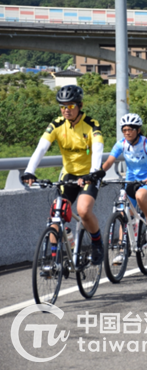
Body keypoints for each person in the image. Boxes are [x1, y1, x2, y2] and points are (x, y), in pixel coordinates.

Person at [21, 85, 105, 266]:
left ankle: (97, 242)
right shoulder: (56, 125)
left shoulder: (91, 125)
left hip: (89, 174)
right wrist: (29, 171)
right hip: (68, 175)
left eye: (71, 106)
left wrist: (93, 173)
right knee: (55, 214)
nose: (66, 110)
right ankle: (54, 258)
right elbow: (41, 148)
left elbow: (98, 149)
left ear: (80, 105)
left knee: (83, 210)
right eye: (63, 106)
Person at [102, 114, 147, 265]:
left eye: (130, 129)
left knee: (140, 196)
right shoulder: (121, 143)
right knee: (123, 214)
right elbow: (109, 161)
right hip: (131, 179)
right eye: (124, 130)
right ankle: (122, 250)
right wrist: (99, 174)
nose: (127, 132)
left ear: (138, 130)